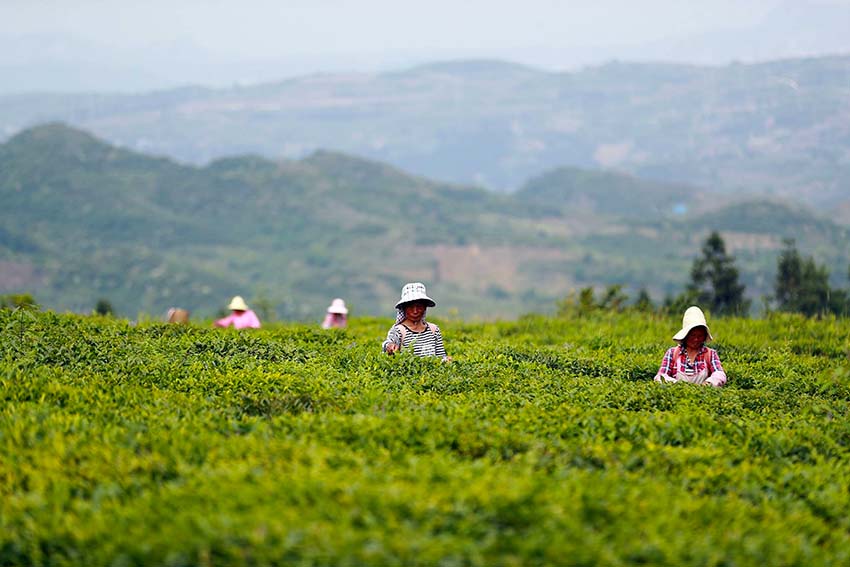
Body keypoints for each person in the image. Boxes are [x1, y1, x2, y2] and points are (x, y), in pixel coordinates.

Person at [654, 305, 727, 387]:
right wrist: (678, 385)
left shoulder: (710, 354)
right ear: (685, 335)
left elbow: (720, 374)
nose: (696, 339)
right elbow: (661, 376)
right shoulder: (672, 353)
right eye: (692, 335)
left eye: (700, 336)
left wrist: (709, 383)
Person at [382, 282, 449, 360]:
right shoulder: (399, 330)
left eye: (419, 306)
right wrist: (389, 346)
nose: (415, 311)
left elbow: (440, 356)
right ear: (404, 308)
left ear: (425, 308)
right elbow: (388, 343)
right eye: (410, 307)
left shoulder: (434, 329)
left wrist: (446, 360)